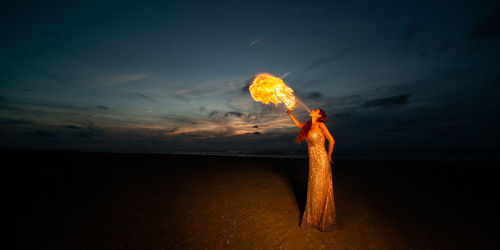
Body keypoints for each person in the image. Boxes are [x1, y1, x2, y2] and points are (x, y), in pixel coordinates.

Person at [287, 108, 336, 231]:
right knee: (314, 187)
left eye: (315, 110)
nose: (312, 110)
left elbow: (332, 141)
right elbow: (298, 124)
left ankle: (322, 219)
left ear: (319, 115)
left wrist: (329, 156)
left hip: (322, 161)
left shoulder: (321, 125)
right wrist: (290, 114)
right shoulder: (308, 125)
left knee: (321, 187)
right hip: (313, 163)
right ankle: (314, 218)